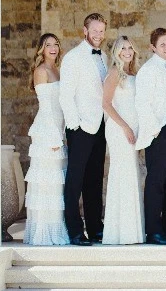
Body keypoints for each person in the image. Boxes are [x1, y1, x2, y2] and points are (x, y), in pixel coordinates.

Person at [58, 13, 109, 246]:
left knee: (94, 180)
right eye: (94, 30)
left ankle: (95, 228)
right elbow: (65, 95)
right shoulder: (73, 57)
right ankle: (75, 231)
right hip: (80, 127)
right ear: (85, 31)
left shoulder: (105, 57)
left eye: (101, 31)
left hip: (100, 127)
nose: (98, 35)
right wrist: (75, 126)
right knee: (75, 180)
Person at [134, 28, 166, 245]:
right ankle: (154, 231)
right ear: (152, 47)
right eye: (162, 44)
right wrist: (154, 130)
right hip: (159, 129)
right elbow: (142, 103)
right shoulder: (147, 70)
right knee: (157, 180)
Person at [25, 33, 69, 245]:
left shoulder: (58, 70)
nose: (52, 48)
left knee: (56, 183)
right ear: (41, 49)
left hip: (59, 132)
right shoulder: (41, 71)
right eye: (48, 45)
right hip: (47, 133)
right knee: (46, 182)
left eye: (55, 44)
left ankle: (56, 229)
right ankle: (43, 232)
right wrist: (53, 137)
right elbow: (46, 107)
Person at [101, 35, 144, 245]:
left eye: (130, 48)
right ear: (116, 52)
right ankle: (119, 232)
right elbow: (106, 104)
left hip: (133, 129)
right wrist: (126, 127)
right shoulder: (114, 74)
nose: (127, 52)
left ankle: (132, 231)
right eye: (123, 48)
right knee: (122, 174)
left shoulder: (133, 73)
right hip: (119, 129)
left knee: (131, 174)